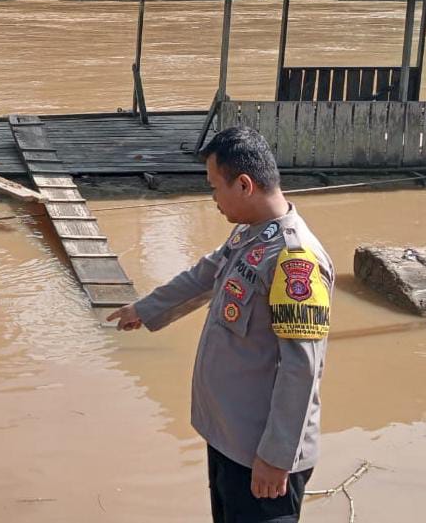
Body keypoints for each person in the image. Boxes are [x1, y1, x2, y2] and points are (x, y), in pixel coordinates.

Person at [107, 126, 333, 523]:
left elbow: (302, 368)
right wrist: (145, 309)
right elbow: (203, 276)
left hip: (261, 456)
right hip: (230, 437)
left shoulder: (295, 261)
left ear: (244, 185)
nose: (212, 199)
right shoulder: (250, 235)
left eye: (214, 187)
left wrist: (276, 458)